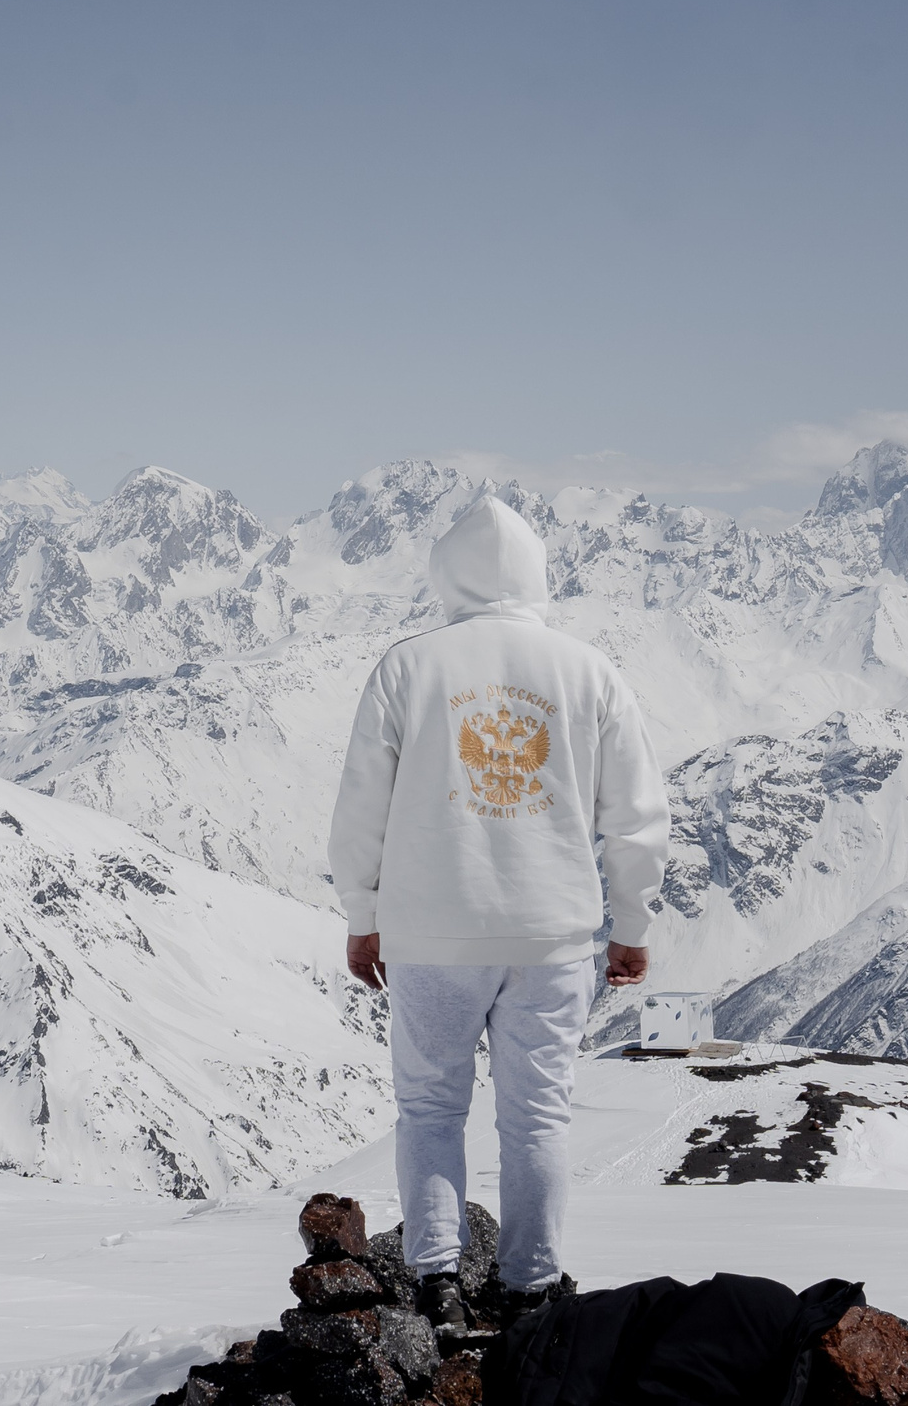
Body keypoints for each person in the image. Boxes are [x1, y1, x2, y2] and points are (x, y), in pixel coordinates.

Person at [328, 495, 671, 1330]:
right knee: (537, 1115)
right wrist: (632, 924)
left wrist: (362, 911)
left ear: (446, 572)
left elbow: (361, 807)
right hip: (552, 933)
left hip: (431, 932)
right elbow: (635, 814)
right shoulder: (588, 670)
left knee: (430, 1108)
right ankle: (529, 1286)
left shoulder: (408, 666)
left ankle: (438, 1282)